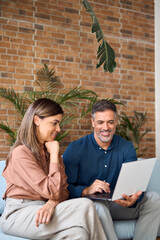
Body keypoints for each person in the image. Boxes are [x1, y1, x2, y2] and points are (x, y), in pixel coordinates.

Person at [1, 98, 107, 240]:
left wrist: (52, 202)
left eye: (59, 124)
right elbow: (52, 190)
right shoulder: (21, 153)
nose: (58, 129)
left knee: (79, 234)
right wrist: (55, 157)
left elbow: (64, 191)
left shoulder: (50, 150)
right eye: (54, 123)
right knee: (86, 206)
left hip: (44, 209)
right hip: (19, 214)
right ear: (37, 120)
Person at [63, 99, 160, 240]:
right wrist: (86, 190)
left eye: (110, 122)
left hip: (118, 204)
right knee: (98, 206)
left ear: (116, 122)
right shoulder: (75, 149)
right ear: (92, 122)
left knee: (155, 199)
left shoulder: (127, 147)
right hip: (91, 206)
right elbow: (64, 189)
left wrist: (133, 198)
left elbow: (133, 183)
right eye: (100, 122)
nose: (106, 127)